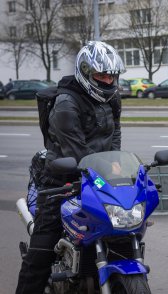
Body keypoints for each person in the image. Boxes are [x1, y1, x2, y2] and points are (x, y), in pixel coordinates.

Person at [16, 40, 125, 294]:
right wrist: (106, 171)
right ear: (86, 73)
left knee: (123, 231)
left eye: (112, 76)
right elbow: (77, 151)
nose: (108, 81)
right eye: (101, 75)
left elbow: (115, 134)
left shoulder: (112, 99)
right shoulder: (66, 103)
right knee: (39, 257)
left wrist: (117, 163)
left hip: (98, 178)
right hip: (61, 180)